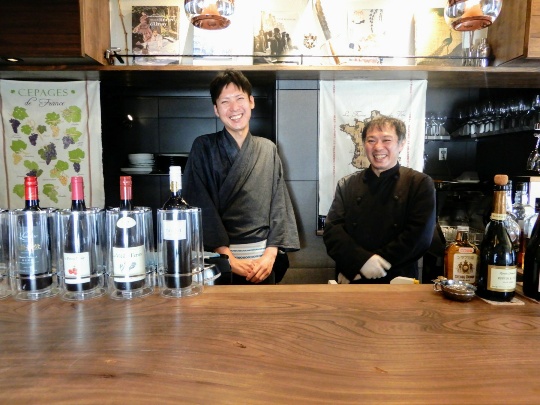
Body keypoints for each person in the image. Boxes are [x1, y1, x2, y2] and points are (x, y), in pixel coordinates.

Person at [183, 69, 300, 285]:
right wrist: (228, 258)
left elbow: (279, 204)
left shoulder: (268, 149)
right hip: (220, 261)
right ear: (216, 109)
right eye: (225, 102)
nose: (234, 108)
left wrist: (270, 255)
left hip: (263, 263)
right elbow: (199, 204)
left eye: (239, 98)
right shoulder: (203, 147)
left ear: (251, 102)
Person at [323, 116, 436, 284]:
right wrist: (360, 262)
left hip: (398, 279)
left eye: (386, 140)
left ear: (401, 144)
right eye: (371, 140)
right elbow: (333, 232)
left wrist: (368, 267)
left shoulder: (419, 183)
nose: (378, 147)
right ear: (364, 144)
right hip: (351, 277)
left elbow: (418, 237)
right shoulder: (347, 184)